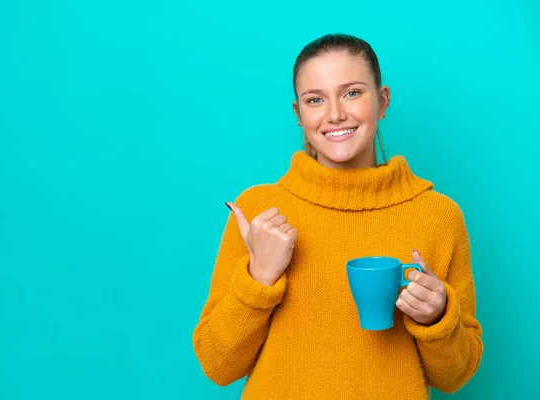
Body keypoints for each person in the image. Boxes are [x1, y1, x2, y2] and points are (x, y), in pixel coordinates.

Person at [192, 33, 483, 399]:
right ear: (299, 114)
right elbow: (218, 365)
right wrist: (259, 277)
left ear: (382, 101)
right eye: (316, 100)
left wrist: (437, 316)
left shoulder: (438, 216)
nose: (335, 114)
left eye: (352, 93)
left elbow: (455, 377)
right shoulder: (260, 212)